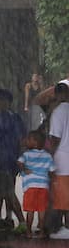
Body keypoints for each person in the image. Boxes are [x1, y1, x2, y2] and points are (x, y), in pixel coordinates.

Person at [0, 89, 26, 231]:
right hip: (7, 161)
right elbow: (21, 140)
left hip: (2, 161)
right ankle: (1, 218)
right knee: (2, 191)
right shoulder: (13, 118)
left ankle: (20, 221)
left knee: (7, 192)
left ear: (5, 101)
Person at [18, 131, 55, 238]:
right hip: (43, 186)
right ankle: (42, 232)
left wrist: (25, 169)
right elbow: (52, 171)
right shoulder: (48, 156)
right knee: (42, 210)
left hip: (30, 186)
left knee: (30, 210)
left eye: (28, 139)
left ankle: (28, 232)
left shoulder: (26, 154)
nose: (26, 141)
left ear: (35, 143)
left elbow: (19, 162)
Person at [46, 83, 69, 238]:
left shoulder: (58, 112)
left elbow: (55, 138)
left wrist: (49, 158)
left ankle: (64, 228)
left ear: (57, 94)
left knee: (61, 196)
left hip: (62, 160)